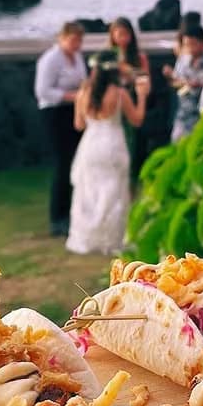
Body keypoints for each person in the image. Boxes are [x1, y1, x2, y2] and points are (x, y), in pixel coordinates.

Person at [66, 51, 148, 256]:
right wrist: (142, 96)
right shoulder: (119, 93)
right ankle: (112, 239)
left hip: (90, 145)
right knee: (113, 192)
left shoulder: (84, 92)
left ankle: (87, 237)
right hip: (113, 145)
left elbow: (78, 124)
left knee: (89, 191)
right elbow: (137, 119)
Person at [35, 21, 87, 236]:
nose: (76, 44)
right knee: (62, 164)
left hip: (73, 113)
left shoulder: (78, 58)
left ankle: (72, 213)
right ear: (62, 38)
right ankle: (57, 217)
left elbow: (82, 81)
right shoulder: (51, 59)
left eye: (79, 40)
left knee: (75, 163)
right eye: (72, 40)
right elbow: (43, 91)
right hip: (54, 113)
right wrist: (71, 96)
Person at [108, 17, 151, 182]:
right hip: (111, 102)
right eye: (119, 34)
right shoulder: (108, 57)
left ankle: (132, 176)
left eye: (126, 34)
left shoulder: (139, 57)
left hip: (132, 99)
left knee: (133, 140)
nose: (123, 39)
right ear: (112, 36)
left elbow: (146, 82)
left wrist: (130, 71)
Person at [166, 24, 203, 142]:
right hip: (183, 115)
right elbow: (177, 81)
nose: (189, 48)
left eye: (193, 44)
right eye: (186, 45)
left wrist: (191, 84)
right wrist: (172, 78)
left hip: (202, 115)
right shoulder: (184, 59)